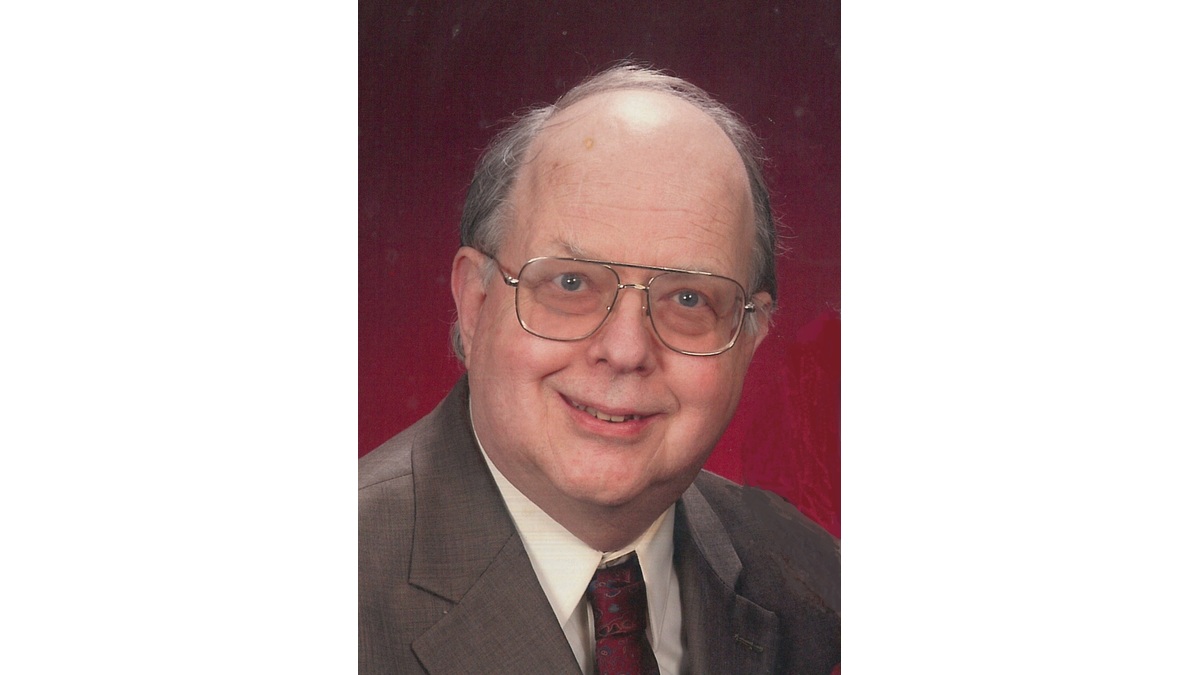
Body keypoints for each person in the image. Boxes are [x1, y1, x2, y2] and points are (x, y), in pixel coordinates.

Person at [359, 64, 840, 674]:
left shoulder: (819, 586)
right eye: (570, 283)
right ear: (476, 303)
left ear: (750, 336)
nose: (626, 349)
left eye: (688, 298)